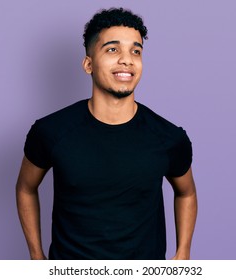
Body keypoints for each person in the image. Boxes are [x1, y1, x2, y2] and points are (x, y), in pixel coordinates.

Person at [16, 7, 197, 260]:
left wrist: (183, 252)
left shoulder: (168, 138)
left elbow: (186, 192)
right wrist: (36, 256)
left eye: (136, 51)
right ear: (88, 64)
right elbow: (25, 188)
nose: (127, 59)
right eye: (113, 49)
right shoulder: (51, 132)